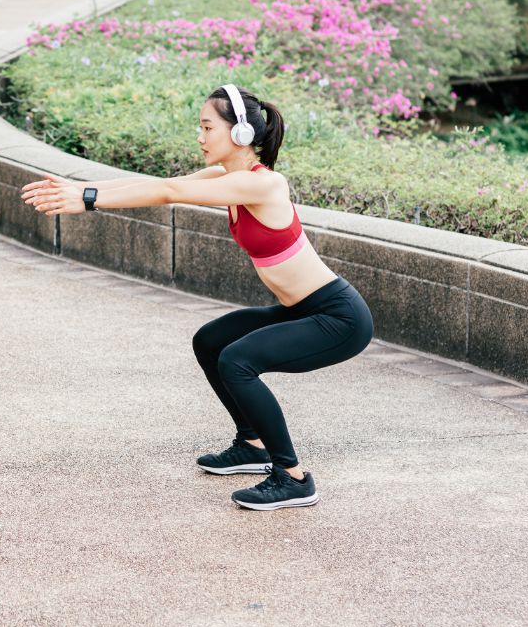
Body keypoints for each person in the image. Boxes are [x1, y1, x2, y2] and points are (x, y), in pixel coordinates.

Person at [20, 84, 374, 511]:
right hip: (300, 309)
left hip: (338, 318)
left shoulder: (264, 185)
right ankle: (253, 444)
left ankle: (293, 477)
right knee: (211, 341)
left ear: (240, 134)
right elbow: (162, 185)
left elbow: (170, 194)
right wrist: (80, 186)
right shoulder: (227, 179)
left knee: (237, 360)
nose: (201, 137)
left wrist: (87, 200)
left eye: (208, 127)